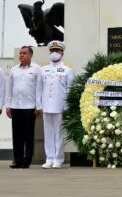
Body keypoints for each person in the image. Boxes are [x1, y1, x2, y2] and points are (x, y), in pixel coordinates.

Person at [37, 40, 75, 169]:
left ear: (62, 53)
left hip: (60, 106)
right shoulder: (43, 69)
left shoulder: (68, 69)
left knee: (59, 133)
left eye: (57, 51)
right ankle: (49, 158)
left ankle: (58, 159)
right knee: (48, 133)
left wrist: (67, 107)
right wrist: (39, 106)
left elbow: (70, 89)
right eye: (52, 51)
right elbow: (39, 89)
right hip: (46, 106)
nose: (54, 53)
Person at [6, 46, 40, 169]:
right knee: (17, 135)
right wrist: (8, 106)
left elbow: (39, 89)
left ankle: (27, 160)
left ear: (30, 55)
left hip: (30, 107)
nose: (21, 55)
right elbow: (9, 89)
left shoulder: (37, 69)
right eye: (20, 53)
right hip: (16, 106)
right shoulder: (14, 70)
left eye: (24, 53)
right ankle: (18, 160)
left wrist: (38, 105)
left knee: (28, 135)